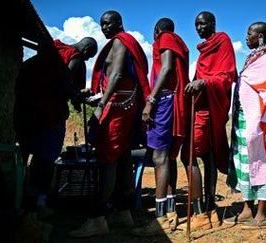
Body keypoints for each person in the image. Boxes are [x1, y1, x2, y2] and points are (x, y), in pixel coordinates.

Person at [69, 10, 150, 237]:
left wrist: (102, 103)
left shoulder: (120, 43)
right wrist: (95, 93)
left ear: (119, 23)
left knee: (107, 159)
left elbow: (115, 76)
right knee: (122, 157)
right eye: (101, 24)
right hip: (123, 105)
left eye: (108, 23)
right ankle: (123, 214)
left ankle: (98, 218)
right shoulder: (124, 42)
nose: (104, 27)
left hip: (117, 108)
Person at [15, 37, 97, 219]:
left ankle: (21, 200)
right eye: (89, 57)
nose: (87, 61)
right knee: (45, 159)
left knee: (24, 157)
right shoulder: (74, 58)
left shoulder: (49, 53)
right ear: (86, 51)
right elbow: (65, 85)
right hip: (49, 115)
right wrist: (77, 98)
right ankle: (40, 204)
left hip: (24, 114)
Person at [131, 17, 190, 236]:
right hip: (170, 101)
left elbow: (165, 69)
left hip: (163, 102)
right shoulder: (177, 41)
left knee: (159, 157)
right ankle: (171, 210)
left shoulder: (165, 39)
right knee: (168, 157)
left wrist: (150, 101)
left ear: (156, 30)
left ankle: (161, 218)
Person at [182, 11, 237, 231]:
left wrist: (204, 83)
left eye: (203, 23)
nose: (199, 28)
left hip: (208, 109)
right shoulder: (204, 50)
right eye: (196, 24)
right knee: (207, 155)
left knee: (190, 156)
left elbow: (228, 75)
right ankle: (211, 210)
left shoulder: (222, 40)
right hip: (201, 107)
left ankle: (200, 213)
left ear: (213, 24)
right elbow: (201, 76)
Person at [224, 22, 266, 229]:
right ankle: (247, 209)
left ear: (261, 36)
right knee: (244, 165)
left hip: (261, 121)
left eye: (250, 34)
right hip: (243, 119)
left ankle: (262, 214)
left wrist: (256, 118)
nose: (246, 37)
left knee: (263, 163)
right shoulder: (252, 58)